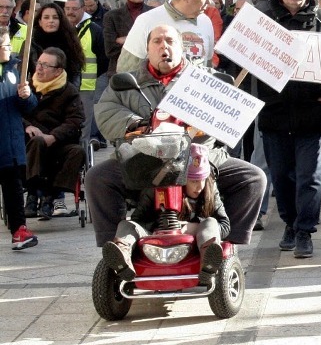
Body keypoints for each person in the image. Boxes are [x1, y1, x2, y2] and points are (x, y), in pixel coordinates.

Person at [87, 24, 265, 249]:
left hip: (199, 159)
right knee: (97, 177)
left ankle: (222, 245)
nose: (164, 47)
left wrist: (208, 122)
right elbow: (106, 111)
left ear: (182, 48)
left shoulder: (205, 79)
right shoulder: (127, 82)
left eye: (170, 41)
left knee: (253, 179)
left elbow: (230, 118)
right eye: (157, 41)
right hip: (142, 160)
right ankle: (115, 245)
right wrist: (136, 123)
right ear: (147, 49)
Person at [254, 0, 321, 258]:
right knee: (281, 176)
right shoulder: (262, 22)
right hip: (274, 116)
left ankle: (305, 230)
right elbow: (242, 64)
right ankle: (290, 224)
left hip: (311, 117)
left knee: (310, 178)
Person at [102, 143, 229, 285]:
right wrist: (160, 227)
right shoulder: (157, 187)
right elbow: (139, 219)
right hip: (157, 239)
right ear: (181, 178)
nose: (199, 187)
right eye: (193, 181)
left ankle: (208, 262)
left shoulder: (210, 189)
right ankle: (122, 255)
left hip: (194, 245)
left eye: (202, 180)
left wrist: (194, 226)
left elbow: (225, 225)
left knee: (211, 222)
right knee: (126, 224)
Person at [22, 47, 85, 220]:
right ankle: (33, 194)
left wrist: (54, 136)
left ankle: (50, 196)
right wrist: (27, 126)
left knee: (78, 152)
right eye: (39, 63)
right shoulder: (27, 88)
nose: (39, 68)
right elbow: (14, 114)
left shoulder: (69, 91)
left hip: (59, 144)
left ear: (58, 71)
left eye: (45, 65)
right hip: (30, 142)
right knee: (37, 142)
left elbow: (75, 120)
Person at [117, 0, 216, 74]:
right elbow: (126, 70)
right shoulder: (147, 20)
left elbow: (207, 65)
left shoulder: (206, 22)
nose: (209, 1)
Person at [0, 27, 39, 249]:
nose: (8, 50)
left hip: (11, 141)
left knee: (13, 187)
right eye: (5, 46)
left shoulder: (16, 70)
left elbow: (29, 107)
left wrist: (27, 96)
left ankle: (19, 231)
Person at [64, 0, 106, 143]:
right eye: (67, 8)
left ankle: (83, 161)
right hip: (62, 86)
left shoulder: (94, 30)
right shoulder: (60, 29)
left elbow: (103, 59)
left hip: (86, 88)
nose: (70, 12)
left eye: (74, 8)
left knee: (83, 129)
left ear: (83, 9)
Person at [102, 0, 150, 78]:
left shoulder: (153, 13)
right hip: (120, 74)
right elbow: (110, 50)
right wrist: (145, 42)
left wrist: (126, 40)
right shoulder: (112, 16)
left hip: (148, 74)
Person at [31, 3, 86, 89]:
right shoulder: (31, 44)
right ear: (40, 22)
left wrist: (70, 95)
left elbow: (75, 73)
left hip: (64, 96)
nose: (51, 21)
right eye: (46, 17)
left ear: (61, 21)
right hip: (36, 95)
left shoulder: (70, 42)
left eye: (55, 17)